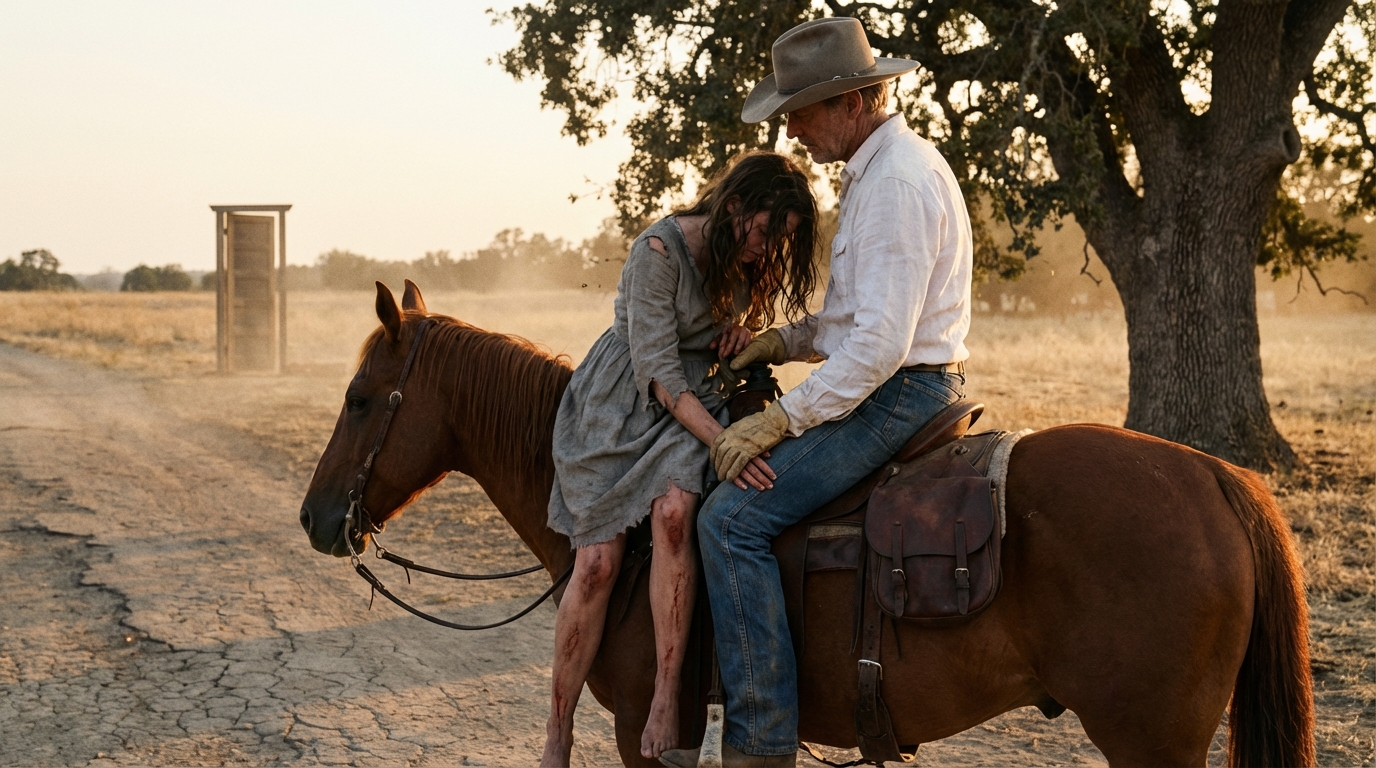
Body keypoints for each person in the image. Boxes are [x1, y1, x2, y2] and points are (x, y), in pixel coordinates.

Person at [660, 17, 974, 768]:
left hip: (903, 394)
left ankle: (762, 743)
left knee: (731, 520)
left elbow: (880, 346)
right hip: (895, 382)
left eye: (799, 110)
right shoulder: (881, 170)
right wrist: (780, 342)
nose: (792, 130)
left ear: (852, 103)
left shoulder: (895, 182)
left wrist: (777, 419)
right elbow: (846, 321)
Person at [540, 151, 820, 766]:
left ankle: (666, 695)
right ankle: (557, 736)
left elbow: (722, 329)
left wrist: (741, 332)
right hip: (627, 399)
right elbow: (659, 372)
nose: (769, 250)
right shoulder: (659, 252)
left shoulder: (746, 259)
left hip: (697, 398)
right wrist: (720, 442)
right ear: (736, 207)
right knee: (595, 566)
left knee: (675, 516)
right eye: (767, 232)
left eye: (785, 239)